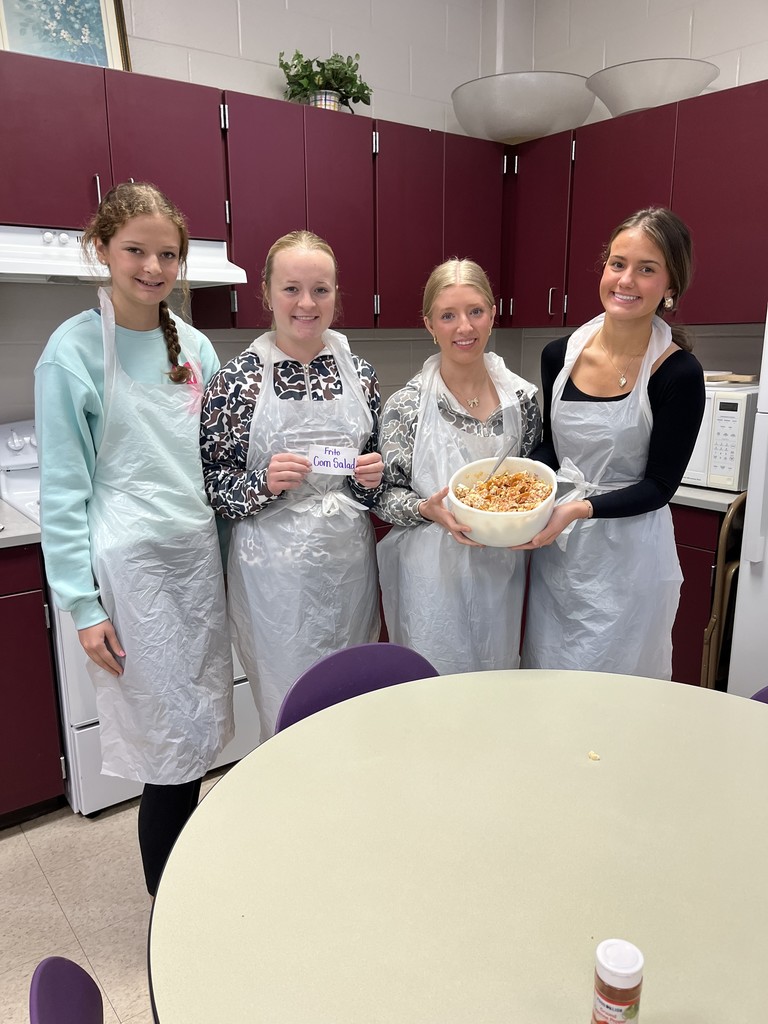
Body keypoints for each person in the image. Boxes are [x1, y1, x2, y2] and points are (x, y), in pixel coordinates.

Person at [35, 182, 234, 896]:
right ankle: (168, 908)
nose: (153, 267)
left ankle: (192, 890)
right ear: (102, 250)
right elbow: (62, 493)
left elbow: (215, 460)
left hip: (195, 564)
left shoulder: (197, 348)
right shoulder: (74, 352)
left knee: (200, 740)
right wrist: (82, 607)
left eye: (168, 255)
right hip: (134, 578)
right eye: (136, 251)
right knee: (168, 756)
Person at [201, 230, 384, 740]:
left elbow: (367, 477)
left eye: (321, 290)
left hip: (348, 562)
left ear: (336, 295)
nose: (307, 303)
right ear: (266, 293)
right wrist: (260, 483)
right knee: (289, 704)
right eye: (291, 289)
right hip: (273, 573)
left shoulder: (361, 374)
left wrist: (371, 477)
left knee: (351, 699)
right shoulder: (237, 381)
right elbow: (213, 484)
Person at [520, 206, 706, 679]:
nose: (626, 280)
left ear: (670, 287)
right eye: (618, 263)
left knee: (617, 687)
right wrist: (527, 485)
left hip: (630, 559)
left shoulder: (677, 373)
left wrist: (579, 509)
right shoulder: (560, 354)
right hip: (560, 556)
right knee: (552, 677)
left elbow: (660, 485)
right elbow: (552, 448)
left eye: (647, 269)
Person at [374, 258, 541, 674]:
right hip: (430, 578)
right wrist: (423, 509)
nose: (464, 328)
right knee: (432, 692)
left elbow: (534, 480)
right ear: (429, 324)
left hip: (499, 572)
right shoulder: (406, 407)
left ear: (492, 315)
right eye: (448, 315)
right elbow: (380, 494)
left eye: (475, 312)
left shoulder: (522, 401)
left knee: (495, 686)